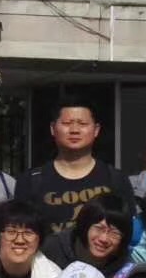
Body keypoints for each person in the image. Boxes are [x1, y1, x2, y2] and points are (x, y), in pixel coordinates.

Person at [13, 99, 133, 236]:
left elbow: (127, 230)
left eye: (83, 124)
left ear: (96, 130)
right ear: (53, 128)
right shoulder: (30, 181)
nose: (74, 130)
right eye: (66, 123)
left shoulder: (116, 179)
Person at [39, 195, 132, 278]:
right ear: (85, 226)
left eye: (114, 233)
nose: (104, 239)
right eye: (99, 228)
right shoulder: (52, 248)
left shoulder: (125, 271)